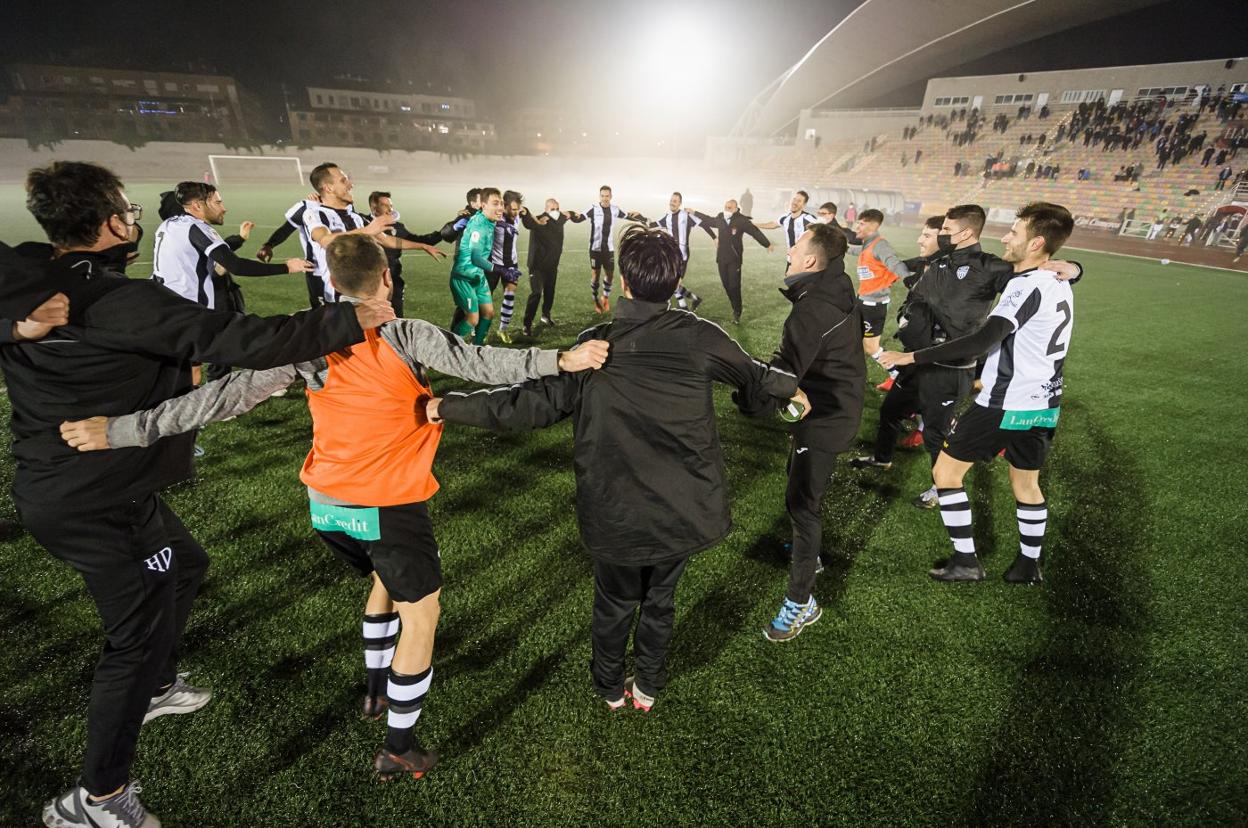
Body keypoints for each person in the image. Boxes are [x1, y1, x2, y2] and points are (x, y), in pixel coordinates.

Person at [58, 233, 610, 786]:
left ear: (329, 279)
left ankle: (375, 691)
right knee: (423, 614)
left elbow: (221, 399)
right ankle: (399, 747)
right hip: (387, 503)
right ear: (387, 278)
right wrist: (562, 358)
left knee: (383, 578)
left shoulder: (309, 344)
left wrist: (119, 430)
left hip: (327, 507)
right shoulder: (406, 334)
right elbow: (484, 363)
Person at [2, 161, 395, 828]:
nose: (135, 220)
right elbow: (244, 340)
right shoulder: (119, 303)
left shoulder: (31, 276)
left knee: (186, 564)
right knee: (134, 637)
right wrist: (346, 320)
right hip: (94, 497)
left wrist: (13, 320)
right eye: (126, 210)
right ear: (108, 224)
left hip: (82, 484)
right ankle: (95, 800)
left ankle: (156, 685)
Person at [425, 226, 804, 712]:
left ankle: (609, 687)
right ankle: (647, 684)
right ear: (677, 279)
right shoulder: (700, 336)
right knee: (661, 599)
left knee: (614, 603)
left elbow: (528, 406)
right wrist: (788, 388)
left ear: (623, 282)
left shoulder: (592, 348)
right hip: (683, 511)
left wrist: (447, 406)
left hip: (615, 512)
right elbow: (755, 377)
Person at [879, 202, 1077, 584]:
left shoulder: (1026, 284)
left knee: (945, 473)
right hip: (1045, 403)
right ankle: (1027, 565)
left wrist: (911, 356)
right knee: (1026, 483)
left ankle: (966, 560)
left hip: (1005, 404)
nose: (1005, 236)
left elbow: (982, 340)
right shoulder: (1059, 281)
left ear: (1036, 243)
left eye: (1015, 233)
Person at [740, 222, 865, 641]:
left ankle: (802, 601)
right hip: (834, 406)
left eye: (795, 247)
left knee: (801, 506)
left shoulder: (811, 310)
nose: (789, 252)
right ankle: (806, 555)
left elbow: (782, 376)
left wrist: (749, 398)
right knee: (800, 490)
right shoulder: (836, 282)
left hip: (826, 418)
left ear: (811, 260)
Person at [151, 182, 309, 309]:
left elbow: (211, 256)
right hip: (190, 310)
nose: (224, 208)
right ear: (198, 206)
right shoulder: (196, 227)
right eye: (218, 203)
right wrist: (287, 267)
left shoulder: (168, 225)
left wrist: (239, 239)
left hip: (166, 303)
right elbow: (236, 265)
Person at [304, 162, 441, 304]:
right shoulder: (315, 214)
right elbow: (325, 240)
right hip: (334, 299)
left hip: (362, 295)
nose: (351, 184)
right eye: (344, 180)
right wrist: (368, 231)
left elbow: (388, 240)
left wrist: (422, 246)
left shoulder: (357, 218)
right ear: (328, 188)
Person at [366, 191, 448, 317]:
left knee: (397, 318)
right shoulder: (364, 224)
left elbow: (417, 240)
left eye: (391, 206)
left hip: (394, 280)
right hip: (372, 282)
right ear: (373, 207)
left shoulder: (397, 227)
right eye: (385, 205)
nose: (390, 209)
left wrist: (444, 232)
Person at [689, 199, 773, 323]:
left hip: (735, 259)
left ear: (735, 208)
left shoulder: (741, 220)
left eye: (729, 207)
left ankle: (737, 311)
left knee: (734, 286)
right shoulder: (720, 217)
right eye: (725, 207)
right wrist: (694, 212)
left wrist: (767, 244)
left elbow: (755, 232)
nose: (726, 209)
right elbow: (708, 220)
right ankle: (735, 306)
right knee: (726, 285)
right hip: (721, 258)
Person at [450, 188, 514, 345]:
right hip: (464, 277)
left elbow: (481, 217)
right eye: (495, 204)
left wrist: (504, 225)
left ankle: (476, 349)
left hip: (477, 276)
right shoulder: (480, 227)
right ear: (483, 205)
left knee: (488, 314)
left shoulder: (485, 218)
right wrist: (501, 269)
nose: (500, 208)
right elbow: (476, 258)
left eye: (501, 203)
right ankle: (448, 346)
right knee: (472, 319)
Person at [849, 209, 911, 371]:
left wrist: (910, 281)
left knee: (871, 348)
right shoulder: (869, 243)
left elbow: (895, 264)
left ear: (873, 226)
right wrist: (840, 247)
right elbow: (860, 251)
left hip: (873, 305)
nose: (857, 227)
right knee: (851, 337)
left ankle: (895, 373)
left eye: (861, 224)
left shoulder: (880, 245)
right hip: (863, 300)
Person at [568, 185, 643, 313]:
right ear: (599, 196)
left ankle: (605, 297)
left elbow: (628, 216)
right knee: (595, 275)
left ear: (611, 196)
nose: (605, 198)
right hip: (595, 249)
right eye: (602, 196)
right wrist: (570, 214)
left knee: (609, 275)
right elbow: (579, 218)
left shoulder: (615, 210)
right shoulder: (593, 209)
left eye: (607, 196)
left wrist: (641, 217)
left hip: (608, 249)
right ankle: (595, 299)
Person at [648, 191, 715, 310]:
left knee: (673, 283)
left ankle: (685, 306)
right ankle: (692, 301)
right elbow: (652, 224)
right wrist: (639, 217)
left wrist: (714, 237)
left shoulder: (686, 215)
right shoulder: (667, 217)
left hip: (682, 256)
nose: (672, 203)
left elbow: (703, 224)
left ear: (680, 203)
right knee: (672, 283)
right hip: (671, 255)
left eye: (675, 201)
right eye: (671, 200)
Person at [256, 194, 326, 308]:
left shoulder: (347, 207)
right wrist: (269, 245)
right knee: (323, 313)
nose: (350, 185)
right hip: (318, 271)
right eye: (343, 181)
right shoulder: (307, 207)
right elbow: (287, 228)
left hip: (345, 270)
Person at [519, 197, 571, 335]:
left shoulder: (560, 219)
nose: (555, 212)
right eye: (552, 209)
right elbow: (529, 223)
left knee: (550, 292)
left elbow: (570, 214)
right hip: (537, 266)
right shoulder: (538, 220)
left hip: (552, 265)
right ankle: (527, 324)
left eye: (557, 209)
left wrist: (570, 213)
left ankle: (545, 315)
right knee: (536, 293)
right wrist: (524, 212)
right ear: (546, 209)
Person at [490, 190, 535, 344]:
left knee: (510, 296)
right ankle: (478, 330)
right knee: (485, 299)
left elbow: (530, 221)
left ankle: (502, 329)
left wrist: (526, 212)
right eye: (514, 209)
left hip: (511, 264)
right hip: (494, 264)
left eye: (518, 209)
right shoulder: (495, 216)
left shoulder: (517, 216)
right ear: (505, 206)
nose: (516, 213)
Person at [755, 190, 817, 273]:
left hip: (804, 260)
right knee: (790, 282)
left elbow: (824, 229)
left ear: (804, 205)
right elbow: (773, 224)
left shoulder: (808, 218)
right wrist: (755, 225)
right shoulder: (785, 217)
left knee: (802, 284)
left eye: (799, 201)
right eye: (794, 199)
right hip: (790, 259)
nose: (795, 202)